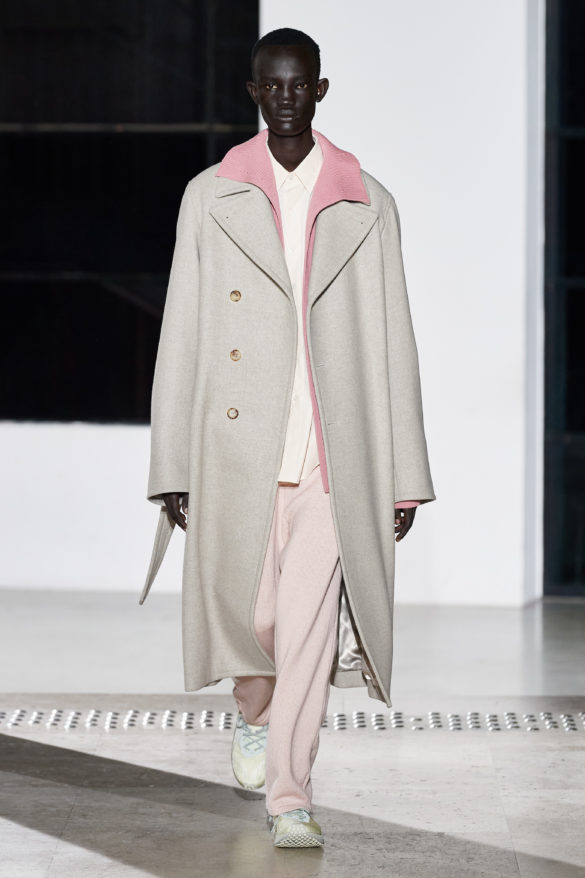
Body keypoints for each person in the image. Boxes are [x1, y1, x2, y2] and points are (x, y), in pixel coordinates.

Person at [139, 27, 435, 849]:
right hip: (238, 446)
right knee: (257, 619)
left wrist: (403, 475)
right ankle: (253, 710)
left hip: (336, 455)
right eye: (271, 85)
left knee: (306, 629)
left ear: (320, 90)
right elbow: (183, 328)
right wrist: (172, 462)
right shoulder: (211, 195)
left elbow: (393, 338)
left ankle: (291, 793)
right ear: (253, 93)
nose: (285, 98)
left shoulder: (366, 201)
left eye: (298, 84)